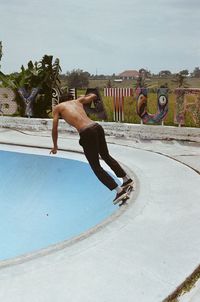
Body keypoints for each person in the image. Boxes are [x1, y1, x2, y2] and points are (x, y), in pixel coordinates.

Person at [50, 92, 133, 204]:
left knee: (96, 166)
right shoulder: (78, 101)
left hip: (86, 132)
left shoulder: (58, 107)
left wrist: (55, 146)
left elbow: (54, 128)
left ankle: (119, 191)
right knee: (105, 155)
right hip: (97, 127)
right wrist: (85, 97)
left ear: (61, 101)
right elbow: (93, 95)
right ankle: (126, 179)